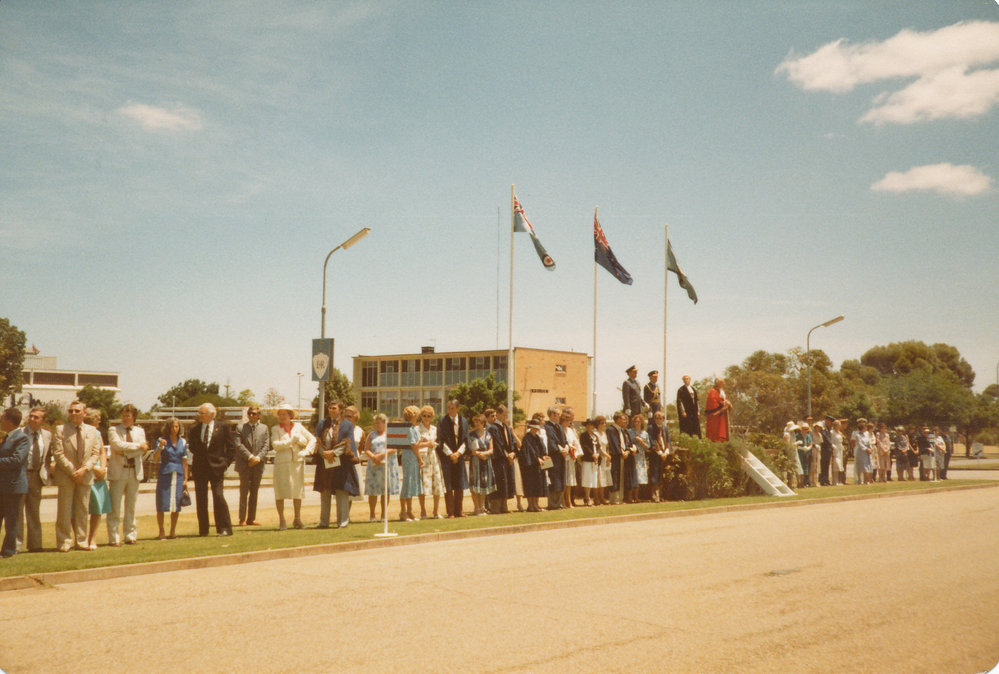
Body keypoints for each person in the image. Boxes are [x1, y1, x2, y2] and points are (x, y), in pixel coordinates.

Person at [52, 400, 102, 552]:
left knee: (83, 510)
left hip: (85, 475)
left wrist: (84, 469)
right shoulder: (60, 429)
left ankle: (81, 541)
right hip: (66, 475)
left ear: (84, 413)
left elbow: (95, 453)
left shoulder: (92, 431)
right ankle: (64, 542)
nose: (73, 413)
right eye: (71, 411)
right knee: (64, 511)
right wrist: (73, 471)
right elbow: (58, 453)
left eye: (77, 411)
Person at [188, 403, 237, 537]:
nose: (200, 416)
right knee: (201, 499)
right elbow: (192, 447)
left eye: (202, 413)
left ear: (211, 414)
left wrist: (225, 464)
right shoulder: (194, 429)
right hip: (200, 468)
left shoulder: (223, 427)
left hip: (217, 468)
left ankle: (224, 528)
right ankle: (203, 529)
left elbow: (231, 448)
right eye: (199, 413)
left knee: (218, 496)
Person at [107, 404, 147, 546]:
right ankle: (114, 538)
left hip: (134, 471)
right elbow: (117, 445)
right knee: (115, 507)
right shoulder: (114, 430)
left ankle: (130, 535)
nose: (125, 418)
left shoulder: (140, 431)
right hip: (119, 471)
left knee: (131, 506)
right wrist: (137, 446)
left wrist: (125, 452)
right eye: (123, 415)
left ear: (133, 417)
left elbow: (143, 450)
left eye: (128, 416)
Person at [271, 404, 315, 530]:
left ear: (290, 415)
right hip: (282, 464)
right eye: (280, 414)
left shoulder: (298, 427)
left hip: (297, 463)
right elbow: (276, 445)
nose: (282, 416)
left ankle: (297, 519)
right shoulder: (275, 429)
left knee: (297, 491)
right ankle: (282, 520)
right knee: (280, 492)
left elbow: (312, 439)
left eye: (284, 414)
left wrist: (306, 452)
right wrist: (291, 441)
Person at [320, 400, 359, 529]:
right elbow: (317, 440)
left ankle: (342, 521)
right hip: (325, 462)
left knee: (341, 491)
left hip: (342, 463)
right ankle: (324, 522)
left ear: (340, 410)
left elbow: (347, 442)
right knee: (325, 491)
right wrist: (324, 453)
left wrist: (333, 453)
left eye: (334, 408)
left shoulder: (347, 425)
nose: (331, 410)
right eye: (330, 408)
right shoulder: (322, 423)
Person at [17, 407, 51, 553]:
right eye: (31, 416)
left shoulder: (47, 435)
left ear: (42, 420)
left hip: (37, 476)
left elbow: (48, 456)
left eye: (36, 417)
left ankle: (35, 545)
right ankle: (15, 545)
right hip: (20, 475)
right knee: (17, 512)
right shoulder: (19, 433)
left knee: (34, 512)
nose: (32, 419)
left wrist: (46, 473)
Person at [0, 408, 29, 558]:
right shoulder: (6, 437)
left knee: (11, 521)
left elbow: (16, 460)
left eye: (2, 418)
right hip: (2, 485)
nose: (0, 420)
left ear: (10, 421)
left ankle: (8, 551)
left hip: (13, 487)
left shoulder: (22, 438)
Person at [154, 418, 189, 539]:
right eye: (173, 426)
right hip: (165, 474)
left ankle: (172, 531)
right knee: (161, 503)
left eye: (177, 426)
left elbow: (185, 461)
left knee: (176, 504)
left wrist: (186, 479)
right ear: (168, 427)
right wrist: (160, 447)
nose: (175, 429)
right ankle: (161, 531)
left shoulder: (183, 442)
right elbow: (155, 458)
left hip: (178, 475)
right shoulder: (161, 440)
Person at [236, 406, 270, 526]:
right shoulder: (240, 427)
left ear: (259, 415)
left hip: (258, 465)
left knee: (254, 492)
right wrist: (250, 457)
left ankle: (251, 518)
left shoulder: (264, 428)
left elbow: (266, 445)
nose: (251, 415)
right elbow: (238, 445)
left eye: (254, 414)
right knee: (244, 492)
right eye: (249, 413)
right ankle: (242, 519)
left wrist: (258, 458)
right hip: (245, 464)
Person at [436, 399, 468, 518]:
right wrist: (451, 454)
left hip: (459, 456)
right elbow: (440, 440)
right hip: (447, 456)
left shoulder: (463, 421)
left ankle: (459, 511)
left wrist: (458, 454)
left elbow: (466, 440)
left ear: (458, 409)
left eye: (452, 408)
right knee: (448, 484)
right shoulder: (442, 421)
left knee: (459, 484)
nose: (450, 410)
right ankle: (450, 512)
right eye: (448, 408)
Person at [364, 414, 399, 522]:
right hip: (374, 465)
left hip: (386, 465)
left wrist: (382, 455)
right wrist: (374, 457)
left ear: (385, 423)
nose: (377, 425)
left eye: (379, 423)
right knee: (373, 491)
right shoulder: (371, 434)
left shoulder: (390, 434)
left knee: (385, 490)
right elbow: (366, 449)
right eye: (375, 423)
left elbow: (394, 448)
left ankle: (384, 515)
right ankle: (372, 515)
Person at [86, 409, 111, 550]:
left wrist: (102, 467)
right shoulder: (83, 432)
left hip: (99, 476)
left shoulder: (98, 433)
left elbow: (102, 452)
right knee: (79, 510)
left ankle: (93, 539)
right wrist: (93, 468)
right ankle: (81, 539)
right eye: (97, 418)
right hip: (86, 472)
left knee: (97, 509)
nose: (99, 421)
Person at [416, 405, 444, 519]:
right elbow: (414, 445)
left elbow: (438, 442)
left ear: (432, 417)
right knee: (423, 485)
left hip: (433, 458)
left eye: (429, 416)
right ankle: (423, 511)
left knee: (437, 484)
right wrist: (426, 443)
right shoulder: (417, 429)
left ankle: (436, 511)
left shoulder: (434, 429)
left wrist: (433, 443)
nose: (426, 418)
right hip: (423, 458)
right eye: (424, 416)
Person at [490, 405, 519, 514]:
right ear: (498, 414)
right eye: (504, 414)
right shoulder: (493, 428)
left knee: (506, 483)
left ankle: (504, 507)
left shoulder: (506, 427)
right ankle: (496, 508)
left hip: (508, 459)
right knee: (499, 483)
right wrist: (507, 455)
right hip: (499, 459)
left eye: (506, 415)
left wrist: (513, 453)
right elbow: (498, 445)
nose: (506, 417)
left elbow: (512, 443)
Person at [399, 406, 424, 521]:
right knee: (407, 483)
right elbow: (414, 445)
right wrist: (420, 459)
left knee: (411, 484)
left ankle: (409, 511)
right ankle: (403, 511)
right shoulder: (408, 428)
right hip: (409, 457)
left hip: (412, 457)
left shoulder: (413, 427)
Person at [467, 414, 495, 515]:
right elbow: (471, 450)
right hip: (476, 461)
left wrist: (485, 454)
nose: (476, 424)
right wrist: (480, 454)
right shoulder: (471, 435)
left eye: (478, 422)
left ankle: (482, 506)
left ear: (483, 423)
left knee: (484, 483)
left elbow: (491, 449)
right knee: (475, 484)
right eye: (475, 422)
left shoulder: (488, 435)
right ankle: (476, 507)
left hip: (486, 461)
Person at [519, 418, 546, 512]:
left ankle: (536, 504)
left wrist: (544, 457)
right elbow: (528, 451)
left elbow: (543, 449)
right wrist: (536, 458)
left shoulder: (538, 438)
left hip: (538, 465)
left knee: (537, 485)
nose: (536, 429)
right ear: (531, 427)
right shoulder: (526, 438)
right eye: (534, 427)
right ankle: (530, 505)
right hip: (529, 465)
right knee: (530, 485)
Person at [607, 412, 632, 504]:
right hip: (615, 456)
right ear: (617, 420)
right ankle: (614, 499)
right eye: (623, 419)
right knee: (614, 476)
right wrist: (621, 452)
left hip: (623, 455)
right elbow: (614, 443)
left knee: (621, 477)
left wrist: (627, 451)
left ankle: (620, 498)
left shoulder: (622, 430)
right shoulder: (610, 430)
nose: (625, 421)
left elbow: (626, 442)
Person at [544, 405, 566, 510]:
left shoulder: (560, 427)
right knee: (553, 479)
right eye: (557, 414)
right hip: (552, 456)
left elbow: (564, 440)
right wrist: (560, 450)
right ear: (552, 415)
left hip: (561, 456)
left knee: (560, 479)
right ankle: (552, 504)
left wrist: (566, 448)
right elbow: (550, 442)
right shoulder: (547, 427)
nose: (559, 416)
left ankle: (559, 503)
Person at [647, 411, 670, 502]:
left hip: (664, 454)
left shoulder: (665, 428)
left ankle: (661, 495)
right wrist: (660, 453)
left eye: (660, 418)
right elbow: (652, 441)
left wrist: (666, 452)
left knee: (662, 475)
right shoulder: (651, 428)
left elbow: (668, 441)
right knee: (655, 474)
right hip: (655, 455)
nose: (659, 420)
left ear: (663, 419)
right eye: (657, 418)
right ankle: (655, 495)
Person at [561, 407, 581, 508]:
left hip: (571, 457)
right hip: (563, 457)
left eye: (569, 420)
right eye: (566, 420)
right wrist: (569, 447)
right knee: (564, 480)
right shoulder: (560, 430)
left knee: (569, 480)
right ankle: (562, 501)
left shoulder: (570, 430)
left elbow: (575, 442)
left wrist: (576, 452)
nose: (568, 422)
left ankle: (568, 500)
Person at [578, 418, 599, 506]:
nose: (589, 426)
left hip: (595, 460)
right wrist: (592, 454)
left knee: (593, 478)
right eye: (588, 425)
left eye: (591, 424)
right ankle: (587, 497)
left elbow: (598, 446)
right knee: (587, 478)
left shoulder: (595, 436)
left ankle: (593, 497)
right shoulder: (583, 436)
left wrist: (597, 454)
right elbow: (584, 446)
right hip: (587, 459)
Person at [629, 414, 649, 501]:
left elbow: (647, 447)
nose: (637, 423)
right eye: (635, 421)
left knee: (638, 477)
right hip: (632, 456)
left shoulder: (645, 433)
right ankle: (630, 497)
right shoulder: (630, 432)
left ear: (642, 422)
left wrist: (641, 441)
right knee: (632, 476)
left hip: (640, 457)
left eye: (639, 421)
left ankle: (636, 496)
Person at [595, 416, 612, 505]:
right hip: (599, 458)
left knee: (603, 478)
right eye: (602, 423)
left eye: (605, 423)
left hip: (605, 458)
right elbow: (599, 448)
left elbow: (607, 446)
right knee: (598, 478)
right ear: (598, 424)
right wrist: (606, 455)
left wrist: (608, 457)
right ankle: (596, 498)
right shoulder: (595, 434)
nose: (604, 424)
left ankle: (602, 497)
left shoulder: (604, 434)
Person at [851, 419, 873, 485]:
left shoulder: (866, 434)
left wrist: (870, 448)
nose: (866, 428)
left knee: (866, 465)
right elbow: (860, 444)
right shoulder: (857, 435)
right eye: (865, 427)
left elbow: (868, 442)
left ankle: (866, 480)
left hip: (866, 452)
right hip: (860, 452)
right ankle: (859, 480)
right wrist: (866, 449)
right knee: (860, 466)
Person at [830, 420, 846, 485]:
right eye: (838, 425)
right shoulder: (832, 432)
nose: (839, 426)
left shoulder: (839, 432)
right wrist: (834, 448)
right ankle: (834, 481)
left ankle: (838, 480)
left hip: (840, 449)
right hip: (835, 449)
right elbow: (831, 441)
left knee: (839, 465)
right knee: (835, 464)